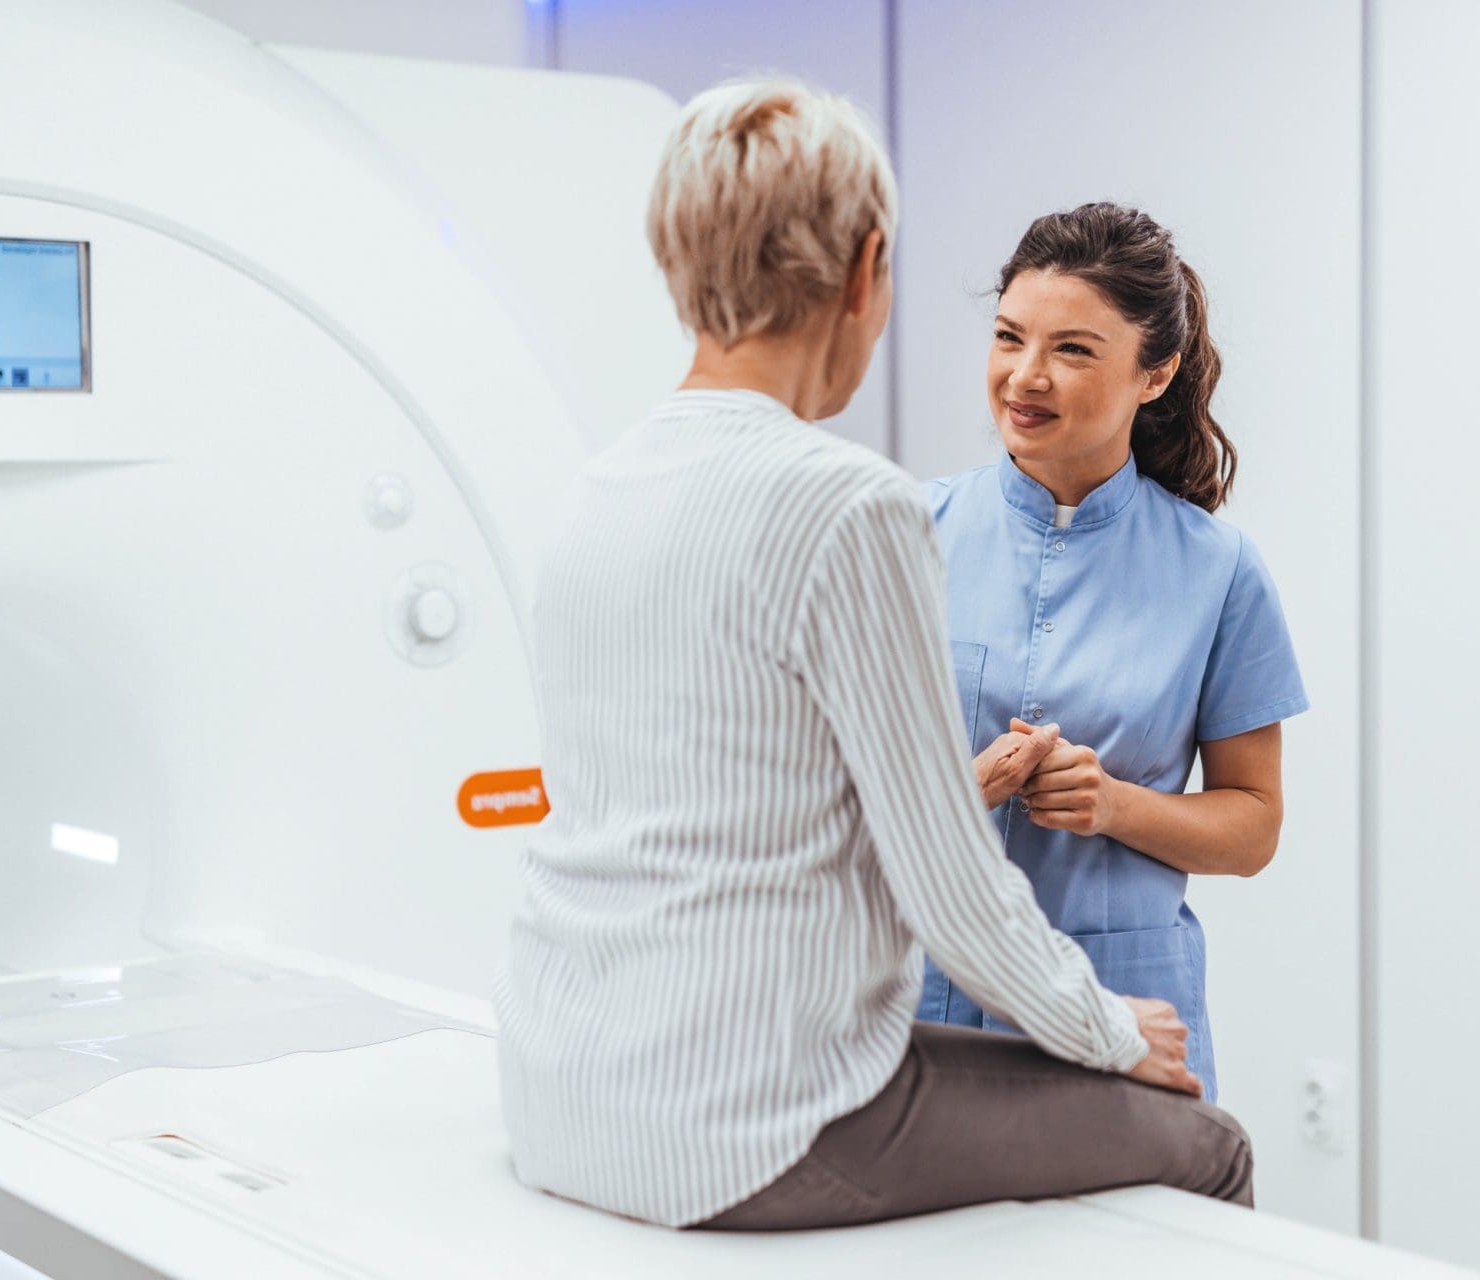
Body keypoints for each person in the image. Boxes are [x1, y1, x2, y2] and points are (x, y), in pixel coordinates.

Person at [494, 82, 1251, 1233]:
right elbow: (952, 888)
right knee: (1210, 1143)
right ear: (866, 270)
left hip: (562, 1088)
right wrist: (1111, 1029)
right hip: (744, 1124)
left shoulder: (594, 491)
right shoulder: (854, 505)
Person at [916, 204, 1309, 1101]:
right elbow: (827, 795)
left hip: (1127, 1021)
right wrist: (957, 791)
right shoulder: (904, 535)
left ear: (1155, 373)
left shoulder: (1219, 571)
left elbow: (1254, 827)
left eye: (1073, 350)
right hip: (929, 1008)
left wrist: (1115, 806)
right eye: (1009, 337)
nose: (1026, 376)